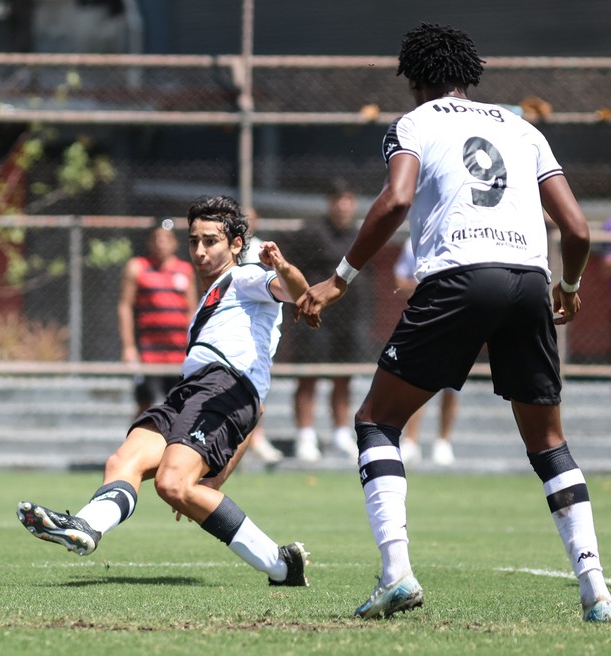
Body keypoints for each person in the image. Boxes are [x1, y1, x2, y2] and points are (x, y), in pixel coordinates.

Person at [296, 23, 611, 622]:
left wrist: (339, 278)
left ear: (414, 82)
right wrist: (566, 287)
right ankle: (595, 585)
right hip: (525, 281)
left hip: (460, 277)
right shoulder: (525, 128)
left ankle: (396, 575)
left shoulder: (414, 124)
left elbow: (394, 200)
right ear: (471, 75)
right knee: (548, 441)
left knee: (377, 419)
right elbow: (576, 229)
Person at [18, 196, 314, 587]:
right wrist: (217, 477)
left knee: (172, 484)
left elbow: (298, 292)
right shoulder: (211, 300)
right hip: (193, 390)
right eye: (194, 241)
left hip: (224, 386)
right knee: (125, 459)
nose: (200, 251)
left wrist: (283, 267)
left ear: (237, 245)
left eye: (211, 241)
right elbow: (253, 418)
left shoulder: (246, 277)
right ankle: (86, 527)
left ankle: (281, 566)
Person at [288, 179, 366, 462]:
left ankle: (341, 434)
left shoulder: (361, 234)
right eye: (338, 199)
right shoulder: (311, 233)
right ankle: (305, 436)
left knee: (343, 378)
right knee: (308, 376)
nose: (343, 205)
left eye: (348, 199)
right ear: (329, 202)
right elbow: (292, 274)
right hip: (315, 318)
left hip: (350, 320)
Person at [117, 223, 198, 416]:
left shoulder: (185, 270)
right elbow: (125, 306)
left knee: (181, 407)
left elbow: (192, 310)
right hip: (149, 354)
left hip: (179, 354)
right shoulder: (138, 268)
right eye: (156, 238)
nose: (161, 243)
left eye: (166, 238)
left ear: (175, 243)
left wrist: (194, 346)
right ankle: (137, 445)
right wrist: (128, 347)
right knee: (146, 405)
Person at [392, 239, 458, 466]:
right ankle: (411, 441)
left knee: (451, 386)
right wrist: (433, 286)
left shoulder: (462, 237)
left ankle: (443, 443)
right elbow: (400, 280)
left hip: (456, 323)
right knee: (414, 382)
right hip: (422, 324)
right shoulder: (414, 242)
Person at [240, 208, 285, 464]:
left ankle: (256, 437)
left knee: (256, 385)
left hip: (260, 331)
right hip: (234, 330)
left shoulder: (263, 252)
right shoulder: (226, 254)